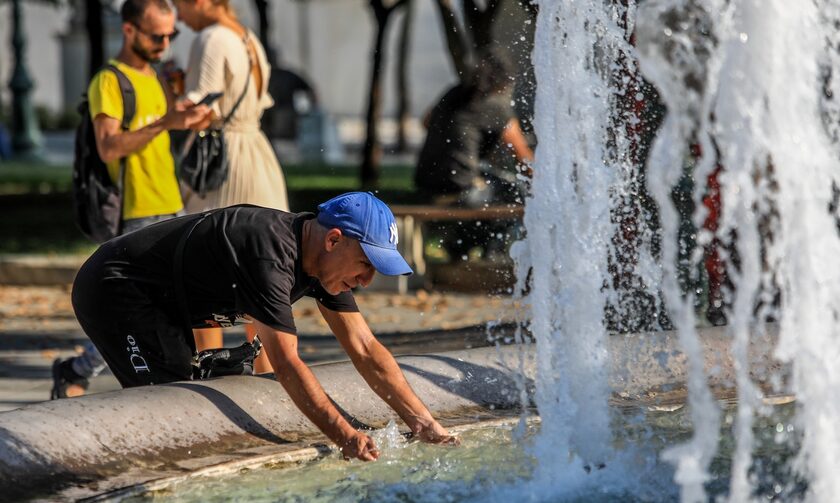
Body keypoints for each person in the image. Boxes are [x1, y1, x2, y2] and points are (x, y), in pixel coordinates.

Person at [70, 192, 457, 460]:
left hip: (166, 302)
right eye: (367, 264)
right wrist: (345, 436)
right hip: (117, 288)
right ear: (334, 240)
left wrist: (426, 425)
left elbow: (366, 349)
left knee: (190, 400)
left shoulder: (324, 264)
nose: (368, 280)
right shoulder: (270, 256)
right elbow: (287, 363)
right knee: (166, 403)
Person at [51, 0, 212, 399]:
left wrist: (187, 118)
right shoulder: (109, 81)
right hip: (135, 214)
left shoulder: (156, 77)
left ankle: (172, 380)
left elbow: (161, 136)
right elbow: (108, 147)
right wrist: (165, 122)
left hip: (172, 205)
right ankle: (80, 369)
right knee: (131, 312)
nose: (164, 43)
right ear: (129, 31)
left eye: (170, 35)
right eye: (156, 35)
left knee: (179, 305)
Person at [172, 0, 291, 368]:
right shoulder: (248, 38)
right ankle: (270, 371)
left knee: (205, 268)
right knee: (264, 270)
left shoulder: (210, 38)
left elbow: (199, 110)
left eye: (180, 5)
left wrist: (169, 92)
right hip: (257, 155)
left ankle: (210, 369)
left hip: (224, 164)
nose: (179, 15)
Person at [414, 48, 534, 259]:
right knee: (516, 192)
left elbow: (425, 122)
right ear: (504, 82)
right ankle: (491, 253)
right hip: (459, 189)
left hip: (425, 183)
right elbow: (525, 160)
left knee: (487, 176)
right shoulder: (495, 107)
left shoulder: (454, 93)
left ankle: (460, 248)